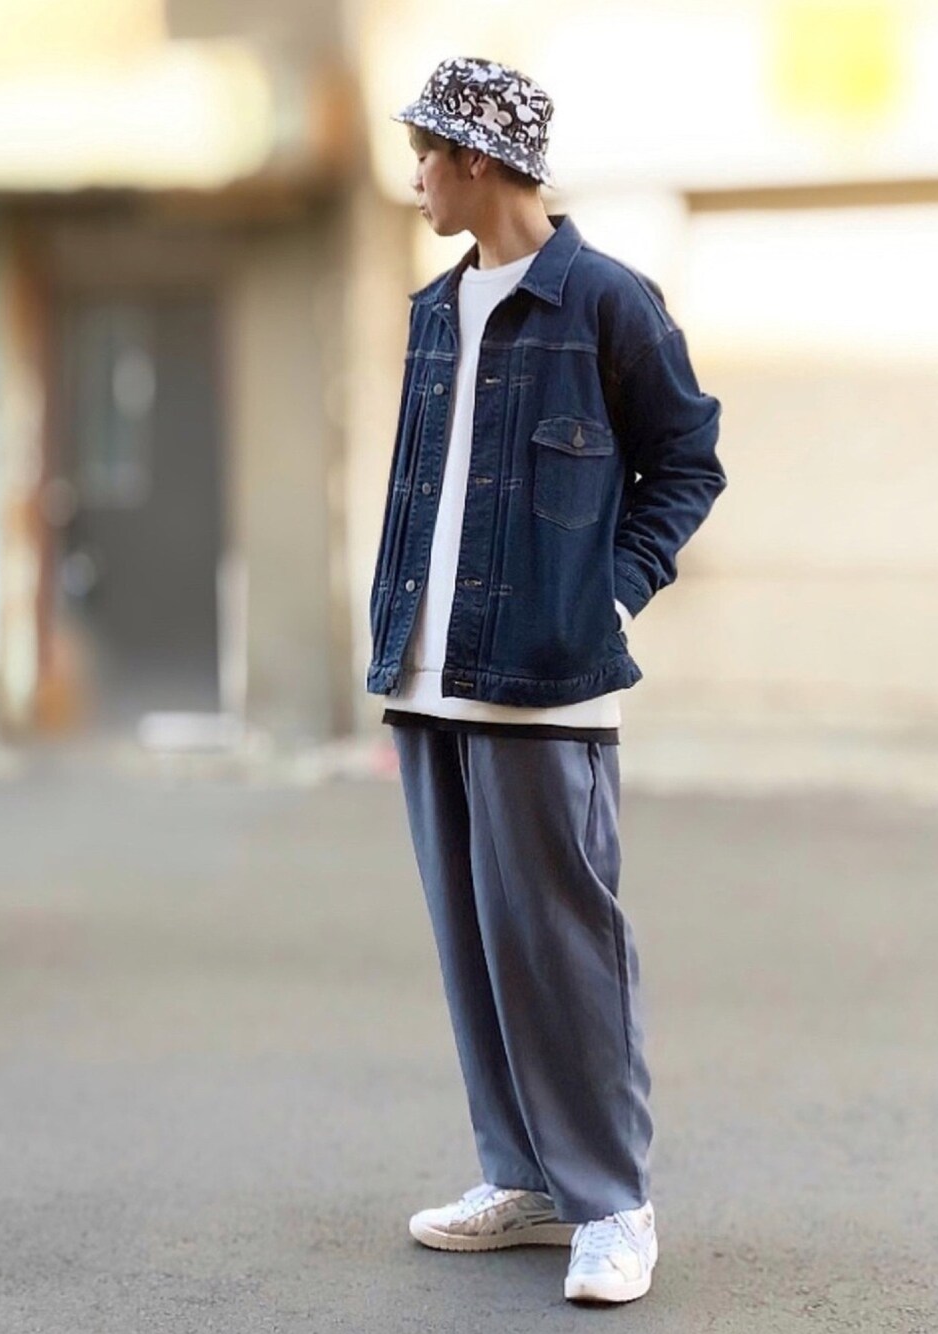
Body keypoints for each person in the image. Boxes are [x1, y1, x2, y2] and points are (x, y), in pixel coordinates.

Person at [366, 55, 725, 1305]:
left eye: (425, 153)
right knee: (474, 945)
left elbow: (687, 460)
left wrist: (608, 592)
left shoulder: (606, 301)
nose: (416, 176)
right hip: (428, 674)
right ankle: (521, 1176)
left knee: (565, 946)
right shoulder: (432, 309)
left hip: (547, 676)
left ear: (476, 157)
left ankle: (613, 1202)